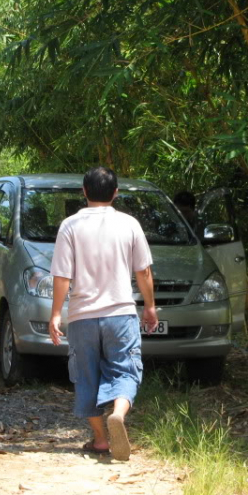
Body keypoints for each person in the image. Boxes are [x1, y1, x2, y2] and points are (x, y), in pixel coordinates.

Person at [49, 167, 158, 461]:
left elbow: (61, 276)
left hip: (83, 316)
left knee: (86, 377)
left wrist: (56, 314)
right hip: (121, 313)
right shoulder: (129, 224)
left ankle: (100, 439)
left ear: (84, 192)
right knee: (125, 369)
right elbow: (143, 271)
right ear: (115, 193)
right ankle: (119, 413)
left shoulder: (69, 226)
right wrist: (149, 306)